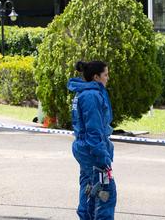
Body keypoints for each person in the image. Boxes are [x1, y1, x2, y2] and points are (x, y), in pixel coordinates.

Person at [68, 60, 117, 220]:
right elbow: (94, 131)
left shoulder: (84, 92)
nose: (107, 78)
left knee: (89, 188)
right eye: (105, 75)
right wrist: (102, 157)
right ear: (96, 77)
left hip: (85, 150)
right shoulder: (91, 96)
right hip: (92, 152)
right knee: (105, 193)